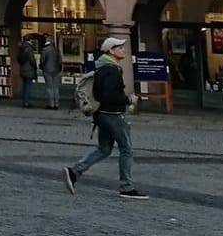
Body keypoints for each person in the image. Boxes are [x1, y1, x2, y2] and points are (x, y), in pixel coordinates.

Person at [63, 36, 146, 199]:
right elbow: (109, 95)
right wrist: (128, 99)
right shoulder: (111, 70)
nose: (123, 50)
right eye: (120, 47)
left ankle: (74, 172)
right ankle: (127, 187)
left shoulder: (102, 68)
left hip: (101, 115)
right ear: (111, 51)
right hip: (113, 115)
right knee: (126, 149)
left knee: (104, 148)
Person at [39, 36, 62, 110]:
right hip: (56, 70)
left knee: (49, 88)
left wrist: (41, 67)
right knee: (56, 88)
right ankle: (56, 104)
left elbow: (42, 61)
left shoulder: (45, 50)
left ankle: (51, 104)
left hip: (47, 70)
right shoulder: (57, 50)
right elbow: (60, 61)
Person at [18, 35, 40, 108]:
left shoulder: (21, 47)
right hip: (29, 69)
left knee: (24, 86)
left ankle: (24, 101)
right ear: (30, 40)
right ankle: (26, 102)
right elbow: (32, 60)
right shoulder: (29, 48)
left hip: (23, 69)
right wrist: (35, 66)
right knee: (27, 86)